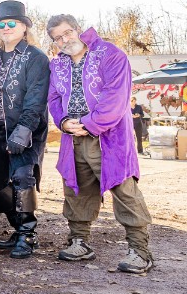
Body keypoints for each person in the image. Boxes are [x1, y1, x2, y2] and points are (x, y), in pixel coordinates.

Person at [47, 14, 154, 274]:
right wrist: (63, 122)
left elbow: (116, 96)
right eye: (57, 38)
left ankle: (139, 250)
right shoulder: (57, 64)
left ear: (78, 29)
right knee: (77, 189)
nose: (64, 40)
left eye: (67, 33)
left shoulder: (109, 54)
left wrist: (89, 123)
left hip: (110, 136)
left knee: (124, 188)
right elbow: (53, 98)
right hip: (73, 138)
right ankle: (79, 242)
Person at [0, 1, 50, 259]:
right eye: (2, 24)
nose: (6, 28)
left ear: (24, 27)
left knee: (23, 177)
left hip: (27, 128)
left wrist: (23, 130)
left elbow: (36, 97)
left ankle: (27, 234)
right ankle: (16, 227)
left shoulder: (36, 57)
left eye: (12, 23)